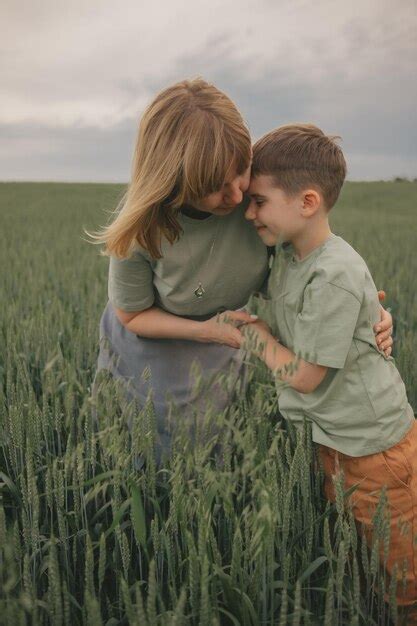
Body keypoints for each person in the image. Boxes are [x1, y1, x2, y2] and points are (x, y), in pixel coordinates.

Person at [87, 78, 393, 465]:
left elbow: (313, 262)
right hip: (150, 344)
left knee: (216, 449)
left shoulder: (259, 205)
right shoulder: (141, 231)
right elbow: (131, 314)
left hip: (224, 336)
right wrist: (203, 330)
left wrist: (365, 309)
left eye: (241, 173)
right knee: (147, 452)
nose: (236, 198)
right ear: (174, 183)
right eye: (216, 188)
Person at [242, 123, 416, 620]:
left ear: (308, 201)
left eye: (258, 201)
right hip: (334, 442)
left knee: (403, 574)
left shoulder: (333, 272)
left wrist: (252, 332)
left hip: (375, 449)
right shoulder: (290, 258)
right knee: (361, 561)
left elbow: (305, 376)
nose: (248, 213)